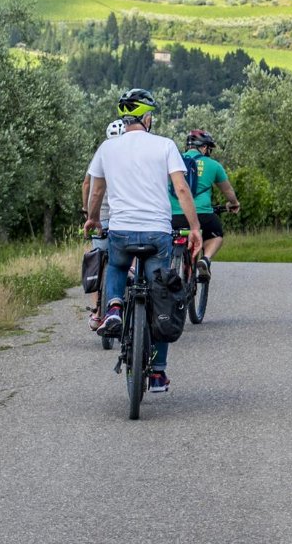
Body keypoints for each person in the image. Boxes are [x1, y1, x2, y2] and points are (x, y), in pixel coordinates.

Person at [84, 89, 202, 393]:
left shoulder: (107, 149)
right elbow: (182, 189)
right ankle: (158, 373)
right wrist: (195, 228)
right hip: (157, 233)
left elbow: (96, 192)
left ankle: (112, 308)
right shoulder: (165, 146)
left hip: (122, 230)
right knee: (160, 296)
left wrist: (93, 219)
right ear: (147, 118)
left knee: (118, 266)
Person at [169, 129, 240, 279]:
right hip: (202, 215)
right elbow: (228, 191)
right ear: (204, 147)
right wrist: (233, 203)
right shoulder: (213, 165)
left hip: (173, 215)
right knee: (216, 235)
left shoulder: (173, 160)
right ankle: (205, 259)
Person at [81, 119, 126, 330]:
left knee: (97, 263)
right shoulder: (130, 155)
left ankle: (97, 313)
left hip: (101, 216)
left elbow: (88, 184)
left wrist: (88, 212)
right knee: (127, 260)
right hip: (123, 217)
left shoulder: (102, 152)